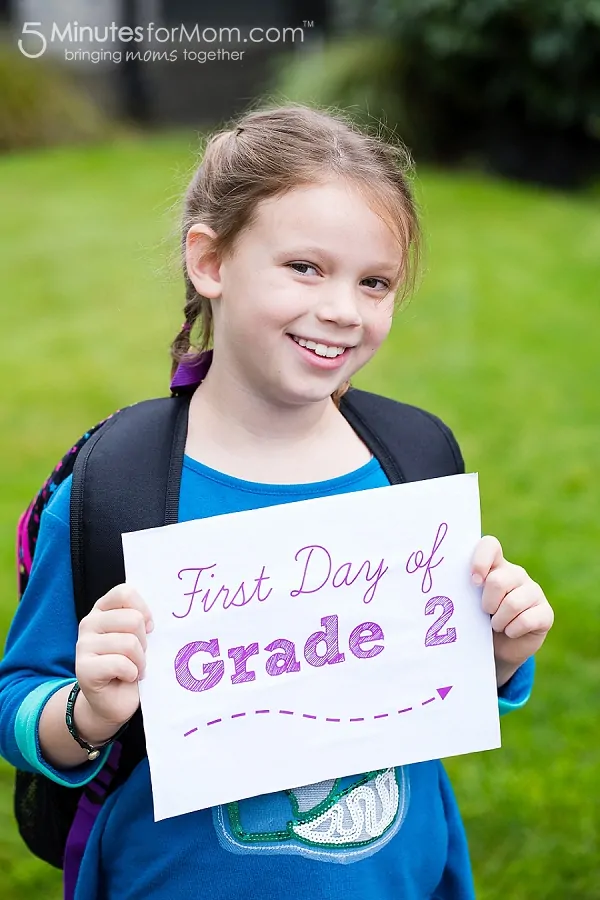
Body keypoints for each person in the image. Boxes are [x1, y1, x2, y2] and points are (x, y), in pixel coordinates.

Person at [0, 104, 553, 899]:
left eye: (375, 282)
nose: (342, 309)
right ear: (211, 262)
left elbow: (435, 679)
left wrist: (498, 655)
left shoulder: (412, 462)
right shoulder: (117, 485)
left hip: (399, 875)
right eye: (305, 267)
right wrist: (88, 713)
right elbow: (17, 702)